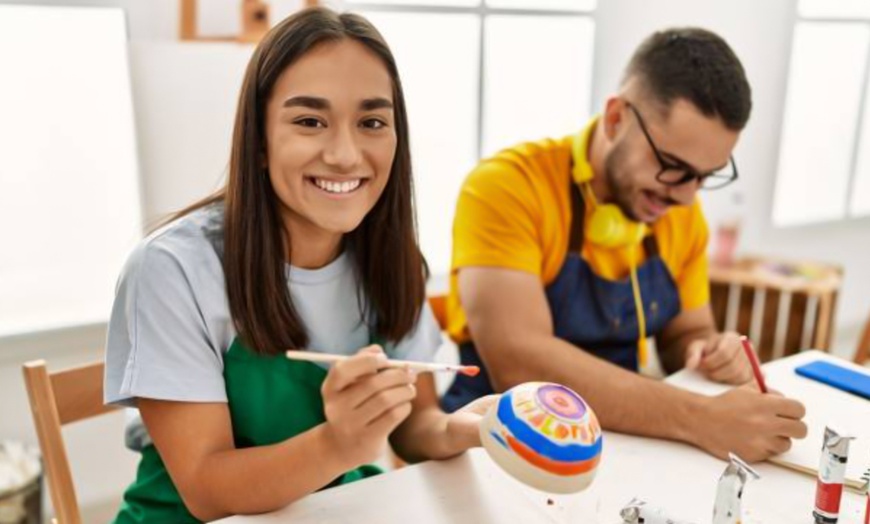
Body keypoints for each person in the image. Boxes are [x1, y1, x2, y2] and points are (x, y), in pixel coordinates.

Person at [104, 8, 494, 523]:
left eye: (372, 122)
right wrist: (339, 443)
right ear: (259, 142)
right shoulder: (171, 270)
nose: (345, 154)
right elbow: (206, 489)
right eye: (310, 121)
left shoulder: (393, 262)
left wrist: (472, 428)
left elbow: (414, 424)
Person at [441, 27, 807, 462]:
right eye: (672, 166)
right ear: (616, 118)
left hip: (619, 439)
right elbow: (520, 361)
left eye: (704, 177)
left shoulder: (679, 212)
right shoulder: (505, 187)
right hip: (496, 446)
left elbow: (687, 331)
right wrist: (701, 417)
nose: (687, 196)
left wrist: (709, 350)